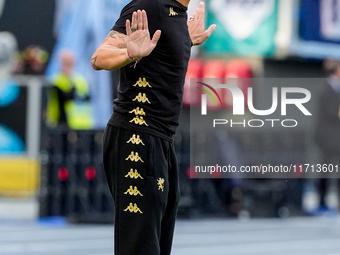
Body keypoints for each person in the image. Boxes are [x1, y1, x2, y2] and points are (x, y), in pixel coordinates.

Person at [91, 1, 216, 254]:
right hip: (136, 136)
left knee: (157, 246)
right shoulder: (148, 5)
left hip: (162, 139)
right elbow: (98, 57)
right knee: (140, 248)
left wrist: (187, 41)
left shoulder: (179, 14)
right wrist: (130, 53)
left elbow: (161, 58)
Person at [315, 58, 340, 213]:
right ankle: (322, 201)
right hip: (328, 138)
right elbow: (331, 112)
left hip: (335, 137)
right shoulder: (326, 89)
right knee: (325, 169)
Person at [47, 49, 94, 129]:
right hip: (61, 123)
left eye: (70, 63)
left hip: (82, 124)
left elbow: (87, 99)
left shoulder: (81, 80)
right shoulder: (56, 81)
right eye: (65, 63)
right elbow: (64, 97)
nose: (68, 66)